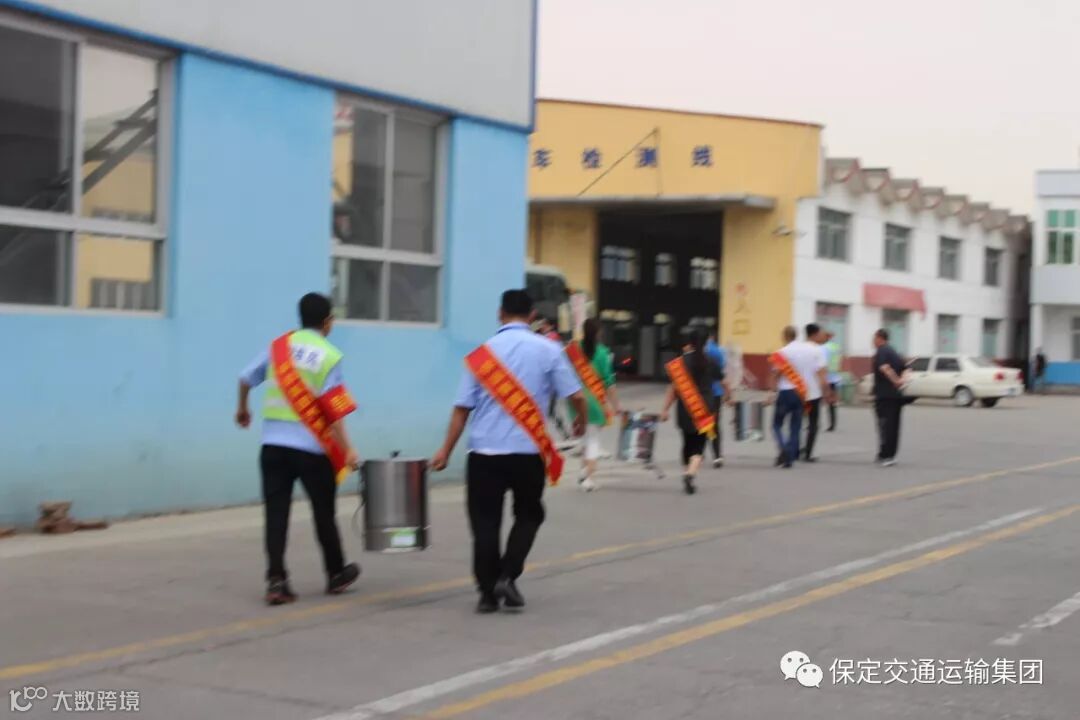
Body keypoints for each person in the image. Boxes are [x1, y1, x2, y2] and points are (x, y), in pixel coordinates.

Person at [431, 290, 587, 614]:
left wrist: (445, 450)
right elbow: (576, 395)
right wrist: (580, 422)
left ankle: (487, 594)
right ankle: (507, 575)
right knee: (529, 515)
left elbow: (462, 409)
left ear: (500, 313)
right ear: (532, 316)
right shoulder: (549, 349)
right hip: (527, 452)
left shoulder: (481, 355)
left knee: (485, 522)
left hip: (484, 453)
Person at [236, 292, 361, 606]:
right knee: (323, 513)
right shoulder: (329, 355)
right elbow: (333, 410)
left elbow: (245, 378)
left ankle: (276, 581)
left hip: (272, 446)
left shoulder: (278, 347)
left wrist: (243, 409)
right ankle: (336, 573)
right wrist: (348, 449)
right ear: (328, 322)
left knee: (276, 514)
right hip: (311, 450)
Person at [660, 328, 728, 495]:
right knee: (699, 445)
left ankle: (686, 472)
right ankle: (690, 474)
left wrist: (665, 409)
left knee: (686, 442)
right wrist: (730, 396)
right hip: (705, 408)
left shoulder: (679, 362)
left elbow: (674, 389)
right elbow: (724, 381)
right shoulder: (711, 361)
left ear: (688, 342)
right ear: (706, 342)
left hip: (685, 407)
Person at [566, 318, 621, 491]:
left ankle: (584, 474)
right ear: (598, 332)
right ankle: (587, 476)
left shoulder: (573, 350)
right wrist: (616, 405)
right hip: (595, 402)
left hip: (575, 401)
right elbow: (609, 383)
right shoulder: (602, 353)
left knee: (585, 439)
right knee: (593, 441)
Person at [767, 326, 827, 469]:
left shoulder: (781, 352)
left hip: (785, 392)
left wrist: (771, 393)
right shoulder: (810, 351)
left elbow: (776, 375)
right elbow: (819, 371)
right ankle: (790, 457)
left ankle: (784, 449)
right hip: (801, 392)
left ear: (784, 336)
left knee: (776, 425)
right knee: (795, 427)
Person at [872, 328, 906, 466]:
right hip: (896, 396)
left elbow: (884, 368)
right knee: (894, 426)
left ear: (879, 338)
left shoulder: (882, 351)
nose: (873, 341)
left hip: (884, 396)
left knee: (885, 425)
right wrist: (901, 381)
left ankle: (885, 455)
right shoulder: (894, 352)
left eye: (874, 338)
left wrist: (895, 381)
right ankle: (891, 454)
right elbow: (906, 368)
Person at [801, 323, 832, 462]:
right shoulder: (818, 351)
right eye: (820, 334)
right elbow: (822, 373)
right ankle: (808, 453)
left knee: (798, 421)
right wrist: (827, 391)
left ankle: (795, 449)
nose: (822, 336)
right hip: (813, 394)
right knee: (813, 423)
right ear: (814, 334)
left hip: (799, 392)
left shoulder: (799, 348)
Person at [705, 332, 728, 467]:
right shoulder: (718, 351)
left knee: (702, 423)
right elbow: (722, 371)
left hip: (701, 393)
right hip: (715, 392)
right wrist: (728, 394)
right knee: (714, 424)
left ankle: (698, 453)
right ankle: (717, 455)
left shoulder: (696, 351)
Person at [823, 331, 843, 431]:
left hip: (826, 377)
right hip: (835, 377)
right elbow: (839, 361)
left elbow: (823, 363)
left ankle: (812, 423)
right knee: (832, 402)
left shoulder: (825, 347)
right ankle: (832, 424)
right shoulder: (836, 347)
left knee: (819, 400)